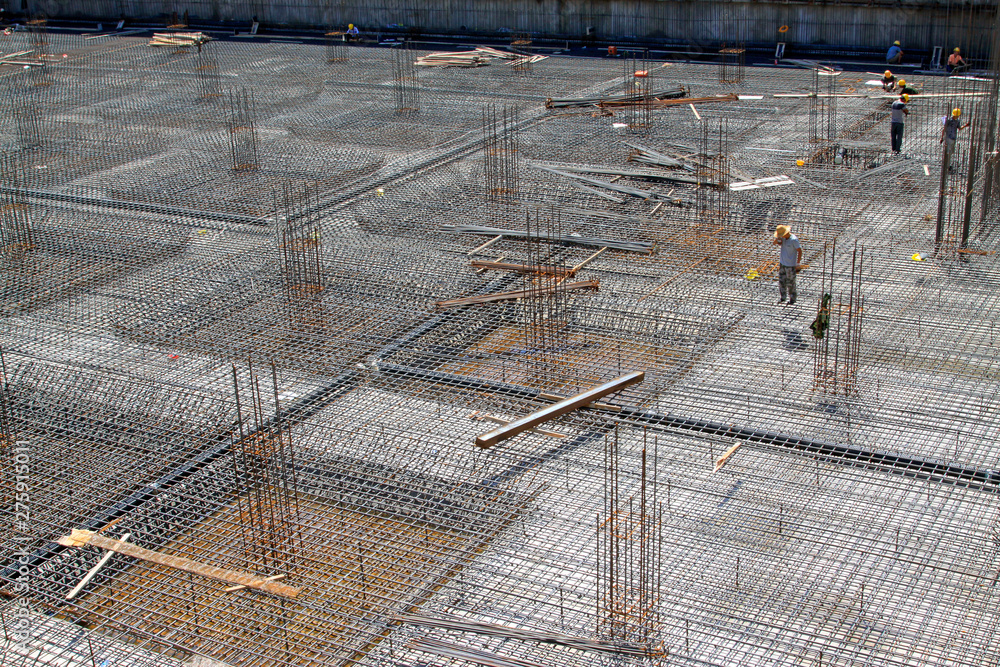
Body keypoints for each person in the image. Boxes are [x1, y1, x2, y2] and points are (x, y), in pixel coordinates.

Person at [772, 225, 802, 305]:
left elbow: (799, 250)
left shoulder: (794, 240)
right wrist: (778, 239)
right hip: (782, 264)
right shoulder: (783, 238)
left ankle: (792, 299)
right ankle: (783, 297)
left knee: (791, 283)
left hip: (790, 265)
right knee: (782, 281)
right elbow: (775, 243)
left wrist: (798, 263)